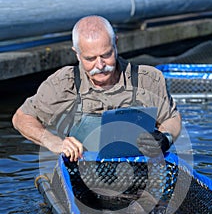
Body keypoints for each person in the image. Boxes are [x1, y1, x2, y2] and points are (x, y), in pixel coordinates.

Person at [12, 15, 181, 161]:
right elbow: (21, 118)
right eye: (90, 59)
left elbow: (172, 118)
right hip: (83, 174)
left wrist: (164, 137)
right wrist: (53, 141)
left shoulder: (148, 79)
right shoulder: (63, 84)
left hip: (142, 172)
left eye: (106, 55)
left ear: (116, 44)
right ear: (77, 54)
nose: (100, 65)